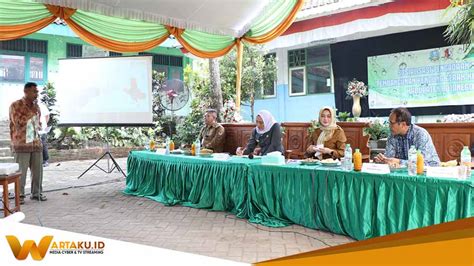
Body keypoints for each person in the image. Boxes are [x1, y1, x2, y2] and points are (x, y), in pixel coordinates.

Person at [9, 82, 47, 204]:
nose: (37, 94)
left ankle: (36, 193)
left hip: (35, 143)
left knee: (38, 171)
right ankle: (19, 196)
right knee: (21, 172)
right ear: (26, 92)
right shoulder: (16, 105)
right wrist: (32, 113)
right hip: (21, 144)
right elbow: (18, 122)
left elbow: (36, 123)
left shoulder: (37, 107)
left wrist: (39, 126)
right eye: (34, 91)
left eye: (37, 92)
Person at [374, 107, 440, 166]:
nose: (389, 126)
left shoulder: (420, 134)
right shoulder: (392, 136)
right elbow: (389, 158)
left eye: (392, 123)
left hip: (429, 172)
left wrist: (399, 162)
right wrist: (382, 160)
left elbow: (423, 163)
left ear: (403, 124)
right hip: (404, 172)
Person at [39, 102, 50, 167]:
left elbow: (47, 116)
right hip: (33, 130)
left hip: (42, 129)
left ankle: (45, 160)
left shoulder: (42, 106)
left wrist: (44, 124)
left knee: (43, 144)